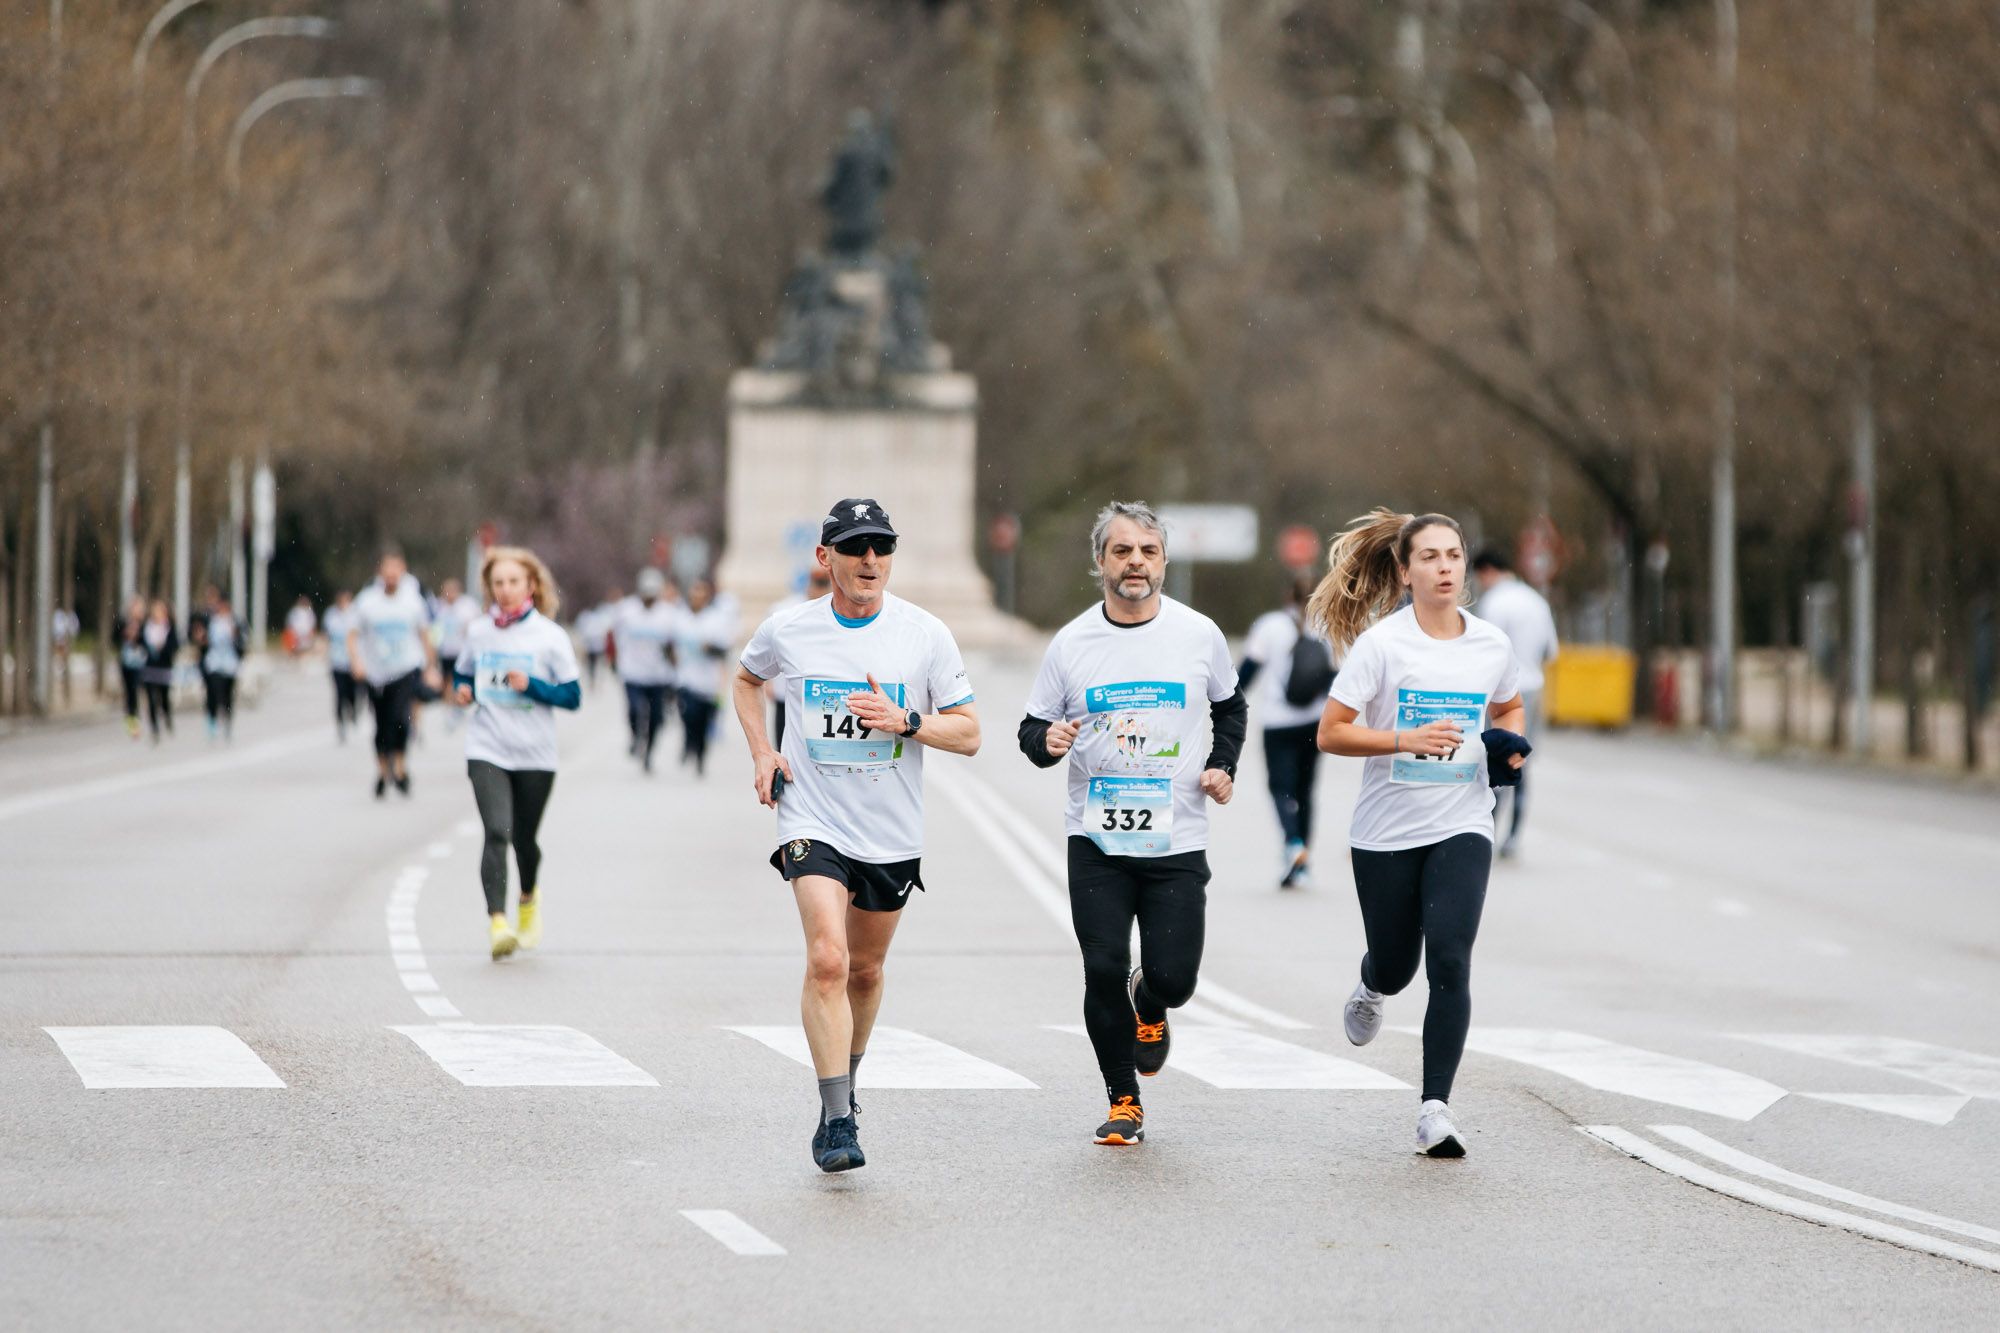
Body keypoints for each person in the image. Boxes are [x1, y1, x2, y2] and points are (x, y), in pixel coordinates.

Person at [733, 497, 980, 1174]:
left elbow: (969, 733)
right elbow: (747, 681)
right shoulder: (790, 629)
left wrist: (907, 721)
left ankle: (844, 1083)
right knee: (828, 959)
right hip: (812, 818)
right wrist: (762, 751)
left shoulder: (924, 634)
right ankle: (837, 1118)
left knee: (865, 971)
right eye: (855, 547)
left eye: (882, 547)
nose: (870, 559)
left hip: (889, 829)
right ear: (826, 557)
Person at [1019, 501, 1246, 1147]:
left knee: (1175, 979)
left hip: (1177, 838)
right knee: (1102, 967)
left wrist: (1222, 764)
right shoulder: (1072, 643)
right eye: (1122, 551)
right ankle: (1124, 1100)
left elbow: (1231, 708)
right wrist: (1048, 742)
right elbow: (1031, 729)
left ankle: (1150, 1001)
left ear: (1164, 560)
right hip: (1096, 840)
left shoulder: (1199, 634)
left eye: (1148, 550)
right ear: (1101, 561)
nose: (1136, 562)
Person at [1311, 509, 1530, 1159]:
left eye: (1454, 555)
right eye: (1429, 557)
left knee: (1451, 959)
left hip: (1463, 821)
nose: (1444, 567)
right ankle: (1372, 983)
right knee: (1398, 964)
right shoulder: (1383, 645)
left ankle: (1435, 1108)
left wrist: (1509, 743)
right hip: (1386, 831)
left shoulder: (1490, 644)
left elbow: (1510, 704)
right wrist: (1404, 739)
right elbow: (1331, 732)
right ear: (1405, 572)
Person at [452, 546, 581, 960]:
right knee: (496, 831)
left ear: (531, 586)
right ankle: (497, 923)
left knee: (525, 839)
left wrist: (533, 686)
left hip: (535, 754)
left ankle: (527, 899)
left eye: (513, 582)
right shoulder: (478, 632)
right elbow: (462, 672)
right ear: (489, 588)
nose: (505, 590)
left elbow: (573, 696)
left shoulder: (550, 636)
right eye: (498, 583)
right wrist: (463, 690)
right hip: (487, 746)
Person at [1239, 578, 1336, 889]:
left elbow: (1247, 673)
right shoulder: (1326, 627)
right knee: (1305, 790)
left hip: (1277, 723)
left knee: (1281, 787)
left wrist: (1229, 704)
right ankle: (1302, 864)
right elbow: (1335, 678)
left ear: (1287, 596)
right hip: (1313, 723)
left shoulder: (1270, 626)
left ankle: (1293, 843)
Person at [1471, 550, 1558, 857]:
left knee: (1492, 759)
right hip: (1532, 687)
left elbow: (1483, 651)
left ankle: (1488, 830)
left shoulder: (1494, 602)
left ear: (1487, 571)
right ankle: (1513, 836)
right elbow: (1551, 650)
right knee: (1520, 760)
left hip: (1501, 691)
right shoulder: (1537, 601)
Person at [348, 551, 440, 798]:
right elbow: (352, 635)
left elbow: (424, 635)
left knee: (401, 719)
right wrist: (356, 661)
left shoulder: (413, 601)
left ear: (402, 571)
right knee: (381, 724)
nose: (391, 574)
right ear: (380, 572)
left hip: (405, 668)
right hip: (376, 672)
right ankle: (382, 770)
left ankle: (399, 766)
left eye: (395, 569)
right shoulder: (367, 601)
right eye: (387, 569)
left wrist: (431, 667)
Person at [613, 568, 679, 772]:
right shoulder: (626, 610)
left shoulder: (668, 614)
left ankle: (649, 753)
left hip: (658, 675)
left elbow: (672, 645)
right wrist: (614, 661)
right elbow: (615, 636)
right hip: (633, 672)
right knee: (634, 710)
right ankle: (635, 736)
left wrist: (674, 670)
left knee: (656, 718)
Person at [765, 567, 834, 751]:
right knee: (782, 742)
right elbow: (769, 650)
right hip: (786, 689)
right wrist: (768, 681)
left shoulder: (834, 611)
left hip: (817, 694)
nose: (819, 590)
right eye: (817, 584)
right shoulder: (786, 610)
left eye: (824, 585)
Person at [674, 577, 735, 776]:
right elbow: (670, 645)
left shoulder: (716, 620)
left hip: (708, 683)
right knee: (688, 715)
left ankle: (700, 756)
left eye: (701, 592)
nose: (697, 596)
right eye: (694, 592)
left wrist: (710, 649)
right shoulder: (681, 618)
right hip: (685, 679)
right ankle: (688, 743)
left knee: (703, 724)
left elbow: (725, 651)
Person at [190, 585, 246, 742]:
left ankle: (227, 721)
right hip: (213, 663)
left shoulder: (235, 621)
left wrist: (236, 637)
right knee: (214, 692)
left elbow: (242, 642)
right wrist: (201, 639)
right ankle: (212, 722)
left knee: (228, 695)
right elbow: (199, 639)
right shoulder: (209, 621)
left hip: (230, 664)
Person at [432, 577, 481, 706]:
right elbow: (434, 631)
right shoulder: (439, 607)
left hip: (461, 651)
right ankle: (448, 704)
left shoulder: (468, 606)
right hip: (446, 652)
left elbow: (476, 625)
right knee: (446, 680)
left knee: (457, 679)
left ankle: (457, 703)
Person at [138, 599, 179, 743]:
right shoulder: (147, 627)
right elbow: (140, 642)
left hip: (164, 667)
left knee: (164, 697)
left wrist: (163, 648)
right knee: (150, 698)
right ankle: (154, 727)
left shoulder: (169, 628)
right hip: (150, 667)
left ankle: (167, 716)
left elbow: (174, 646)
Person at [322, 590, 360, 742]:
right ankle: (340, 724)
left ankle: (353, 711)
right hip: (336, 661)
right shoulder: (331, 615)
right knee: (339, 694)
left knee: (352, 693)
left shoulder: (355, 614)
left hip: (352, 662)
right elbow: (326, 635)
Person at [115, 595, 149, 740]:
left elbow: (147, 643)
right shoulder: (123, 623)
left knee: (136, 690)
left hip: (140, 663)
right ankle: (131, 720)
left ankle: (136, 720)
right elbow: (115, 638)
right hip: (126, 662)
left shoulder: (144, 625)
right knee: (128, 692)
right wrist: (126, 634)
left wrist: (137, 637)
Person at [579, 589, 621, 691]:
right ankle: (593, 681)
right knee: (591, 665)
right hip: (590, 646)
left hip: (600, 645)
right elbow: (582, 631)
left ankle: (599, 682)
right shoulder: (586, 616)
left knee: (600, 665)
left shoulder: (602, 615)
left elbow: (606, 629)